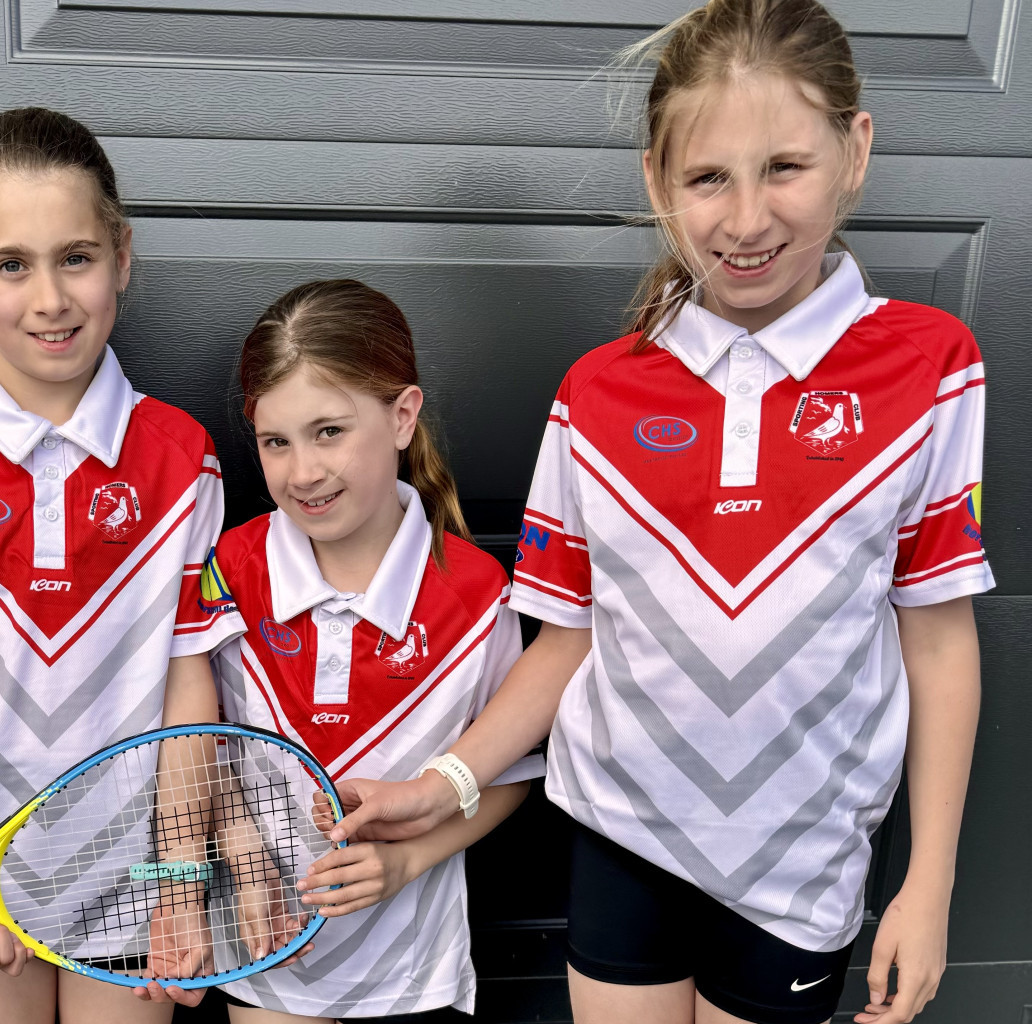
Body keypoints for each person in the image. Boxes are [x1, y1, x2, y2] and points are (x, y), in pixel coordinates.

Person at [322, 3, 992, 1023]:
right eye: (708, 177)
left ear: (855, 152)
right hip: (622, 840)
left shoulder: (930, 366)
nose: (748, 218)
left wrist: (929, 882)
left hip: (799, 867)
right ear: (656, 182)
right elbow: (564, 642)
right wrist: (444, 779)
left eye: (785, 167)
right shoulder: (597, 391)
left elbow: (938, 641)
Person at [0, 107, 239, 1022]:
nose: (50, 299)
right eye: (10, 264)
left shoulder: (183, 456)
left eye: (77, 257)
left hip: (136, 878)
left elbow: (189, 687)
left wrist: (178, 877)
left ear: (122, 258)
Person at [206, 279, 545, 1021]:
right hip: (267, 957)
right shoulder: (227, 570)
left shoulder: (477, 588)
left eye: (330, 431)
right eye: (276, 442)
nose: (303, 472)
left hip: (412, 970)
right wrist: (238, 849)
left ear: (402, 416)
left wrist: (406, 861)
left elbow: (509, 772)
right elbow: (203, 742)